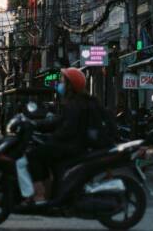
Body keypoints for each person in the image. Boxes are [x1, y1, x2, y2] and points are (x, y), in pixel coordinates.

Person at [28, 68, 101, 203]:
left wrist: (51, 137)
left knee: (33, 155)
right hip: (73, 144)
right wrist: (36, 124)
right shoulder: (74, 102)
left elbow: (67, 129)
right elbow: (57, 122)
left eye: (62, 81)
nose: (60, 84)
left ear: (70, 85)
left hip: (72, 146)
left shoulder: (75, 104)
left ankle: (39, 194)